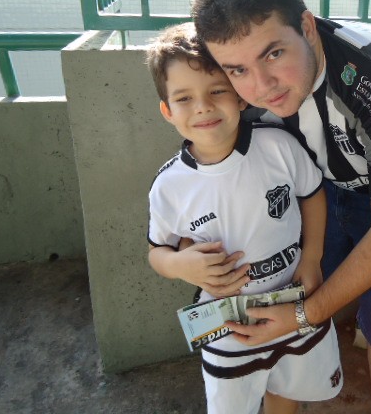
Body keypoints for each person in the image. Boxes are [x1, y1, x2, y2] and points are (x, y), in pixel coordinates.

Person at [191, 0, 371, 414]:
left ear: (308, 27)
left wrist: (304, 314)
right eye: (236, 69)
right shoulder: (238, 88)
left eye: (273, 53)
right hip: (322, 181)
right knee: (297, 286)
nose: (261, 86)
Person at [145, 23, 343, 414]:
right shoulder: (169, 186)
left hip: (293, 303)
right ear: (167, 111)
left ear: (239, 97)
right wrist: (179, 265)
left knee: (286, 389)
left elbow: (313, 194)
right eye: (184, 98)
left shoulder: (278, 147)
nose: (202, 106)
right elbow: (156, 252)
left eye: (217, 90)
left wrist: (312, 257)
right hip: (228, 330)